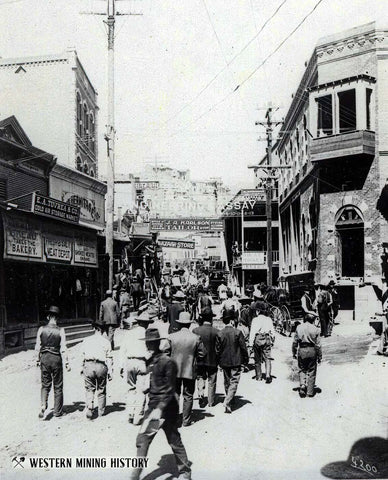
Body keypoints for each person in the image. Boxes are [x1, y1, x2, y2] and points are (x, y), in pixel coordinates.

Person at [130, 328, 192, 480]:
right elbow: (149, 382)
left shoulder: (167, 362)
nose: (149, 346)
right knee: (143, 439)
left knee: (173, 440)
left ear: (158, 343)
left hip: (166, 409)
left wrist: (160, 409)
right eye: (147, 343)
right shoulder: (151, 361)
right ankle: (135, 474)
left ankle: (185, 472)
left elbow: (170, 389)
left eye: (152, 343)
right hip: (154, 407)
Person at [167, 311, 206, 426]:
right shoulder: (196, 338)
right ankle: (186, 420)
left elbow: (165, 352)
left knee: (175, 394)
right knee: (188, 395)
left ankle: (173, 419)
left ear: (179, 324)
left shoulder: (172, 337)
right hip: (190, 370)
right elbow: (203, 353)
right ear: (189, 324)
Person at [120, 309, 156, 424]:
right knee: (141, 390)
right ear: (147, 323)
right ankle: (139, 415)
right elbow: (149, 352)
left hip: (129, 362)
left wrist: (121, 366)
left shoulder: (129, 333)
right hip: (142, 363)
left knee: (130, 388)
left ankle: (130, 413)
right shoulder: (147, 334)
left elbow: (122, 350)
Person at [35, 306, 70, 419]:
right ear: (57, 318)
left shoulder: (41, 329)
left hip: (44, 357)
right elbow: (64, 348)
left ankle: (43, 405)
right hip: (56, 358)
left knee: (45, 384)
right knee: (58, 386)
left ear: (48, 316)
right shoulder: (61, 330)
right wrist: (67, 362)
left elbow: (37, 347)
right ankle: (57, 411)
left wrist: (37, 359)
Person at [216, 309, 249, 413]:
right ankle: (227, 401)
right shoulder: (238, 332)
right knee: (234, 381)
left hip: (224, 362)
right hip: (236, 361)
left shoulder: (220, 333)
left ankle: (229, 401)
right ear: (231, 321)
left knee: (227, 382)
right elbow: (243, 348)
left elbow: (217, 350)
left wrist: (218, 362)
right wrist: (246, 359)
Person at [81, 323, 113, 419]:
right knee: (101, 389)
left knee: (89, 388)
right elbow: (109, 358)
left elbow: (82, 356)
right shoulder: (106, 342)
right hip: (101, 366)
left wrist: (81, 367)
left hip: (89, 365)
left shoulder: (86, 340)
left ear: (94, 328)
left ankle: (90, 408)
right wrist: (110, 372)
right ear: (103, 330)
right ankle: (101, 411)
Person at [192, 307, 218, 408]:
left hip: (200, 359)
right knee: (212, 379)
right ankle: (211, 401)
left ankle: (201, 395)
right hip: (212, 359)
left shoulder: (195, 331)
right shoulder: (216, 331)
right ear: (211, 319)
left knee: (200, 377)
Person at [292, 313, 322, 397]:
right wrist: (320, 356)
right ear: (313, 320)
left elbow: (295, 342)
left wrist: (294, 352)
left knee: (302, 368)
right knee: (312, 370)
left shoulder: (299, 327)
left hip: (302, 349)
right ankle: (310, 391)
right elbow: (318, 345)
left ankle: (302, 385)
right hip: (312, 350)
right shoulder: (316, 329)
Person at [249, 304, 274, 383]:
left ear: (258, 311)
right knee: (268, 357)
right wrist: (273, 340)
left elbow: (252, 332)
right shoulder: (269, 319)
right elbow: (272, 331)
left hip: (258, 338)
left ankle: (258, 376)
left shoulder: (255, 320)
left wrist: (250, 344)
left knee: (257, 358)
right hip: (266, 338)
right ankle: (267, 375)